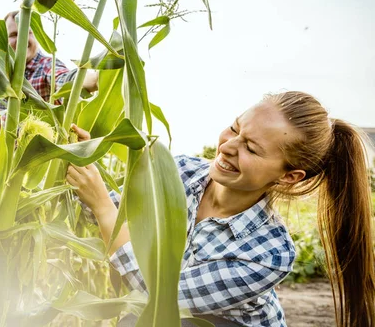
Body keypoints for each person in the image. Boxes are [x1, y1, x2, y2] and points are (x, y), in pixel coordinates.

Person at [67, 91, 375, 327]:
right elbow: (115, 211)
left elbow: (161, 296)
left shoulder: (269, 254)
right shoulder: (180, 173)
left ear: (288, 176)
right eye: (234, 128)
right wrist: (83, 160)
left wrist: (103, 206)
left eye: (251, 148)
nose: (228, 146)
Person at [0, 11, 99, 141]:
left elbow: (67, 80)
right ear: (3, 41)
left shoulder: (47, 65)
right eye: (13, 35)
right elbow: (0, 120)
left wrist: (97, 79)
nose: (21, 40)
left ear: (36, 36)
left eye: (27, 33)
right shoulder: (2, 79)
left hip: (49, 160)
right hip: (16, 161)